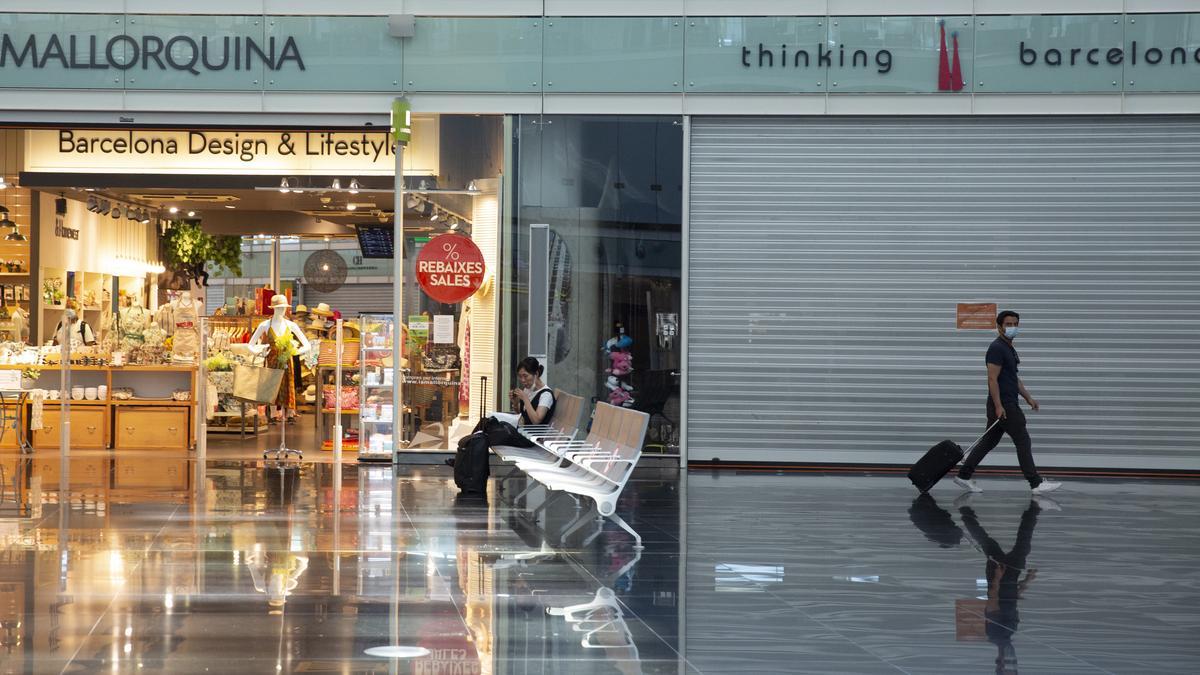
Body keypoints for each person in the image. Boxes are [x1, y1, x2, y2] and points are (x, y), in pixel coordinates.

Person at [955, 311, 1061, 495]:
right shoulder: (997, 348)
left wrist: (1028, 397)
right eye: (1008, 324)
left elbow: (1013, 378)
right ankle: (1035, 483)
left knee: (989, 441)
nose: (1012, 327)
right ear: (999, 326)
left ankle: (964, 475)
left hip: (1006, 402)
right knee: (1022, 439)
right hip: (1004, 404)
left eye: (1015, 324)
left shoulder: (1008, 348)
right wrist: (998, 406)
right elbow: (992, 379)